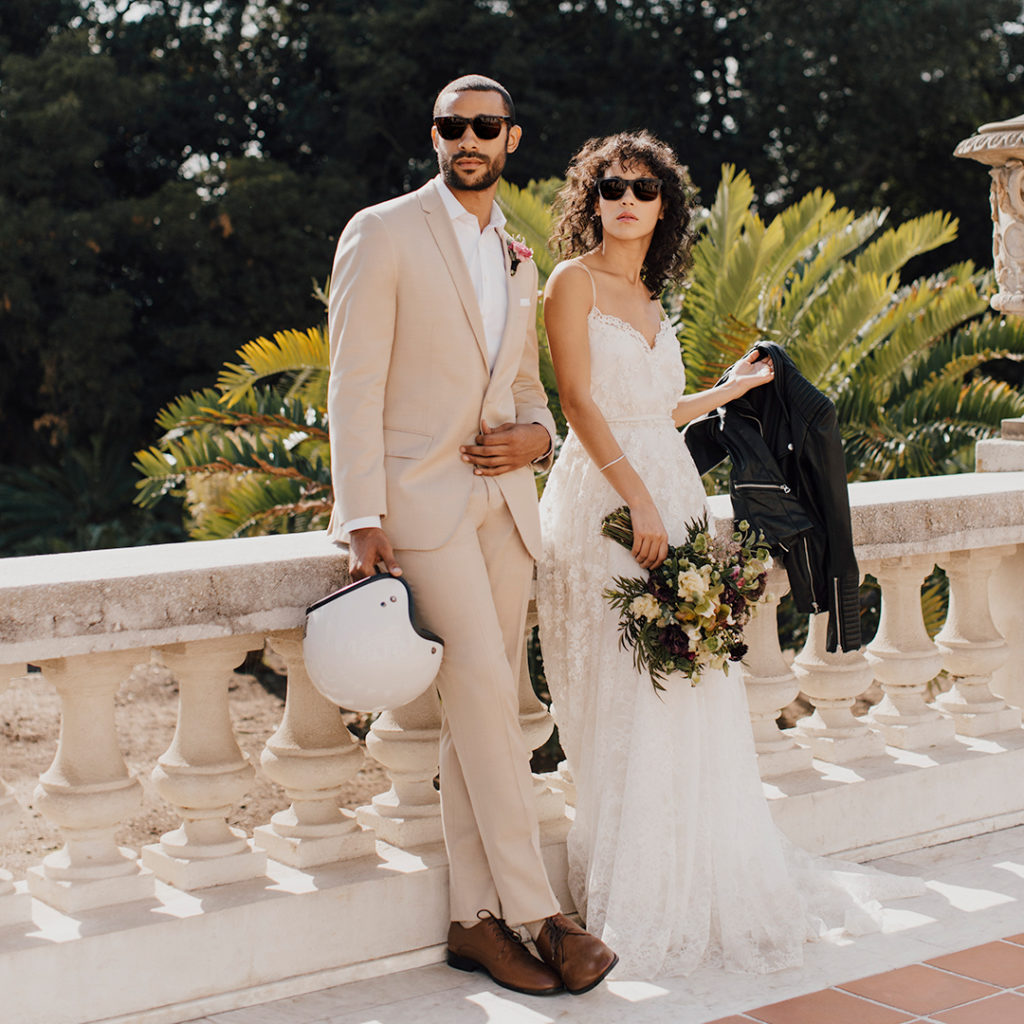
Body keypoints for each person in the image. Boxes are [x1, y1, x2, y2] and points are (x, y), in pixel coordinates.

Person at [537, 130, 921, 978]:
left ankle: (695, 877)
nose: (627, 199)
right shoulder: (572, 281)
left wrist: (733, 392)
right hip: (606, 496)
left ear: (666, 204)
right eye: (610, 186)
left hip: (672, 491)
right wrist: (635, 496)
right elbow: (578, 402)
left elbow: (660, 409)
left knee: (685, 688)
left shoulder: (648, 294)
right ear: (591, 200)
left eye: (644, 187)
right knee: (620, 689)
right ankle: (626, 896)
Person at [326, 74, 616, 997]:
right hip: (419, 510)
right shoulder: (384, 230)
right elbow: (352, 382)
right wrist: (360, 516)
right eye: (452, 127)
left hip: (507, 507)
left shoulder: (519, 256)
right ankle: (542, 917)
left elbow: (527, 388)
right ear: (437, 136)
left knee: (477, 715)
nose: (467, 140)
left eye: (484, 127)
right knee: (491, 690)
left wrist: (538, 436)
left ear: (512, 138)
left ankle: (470, 922)